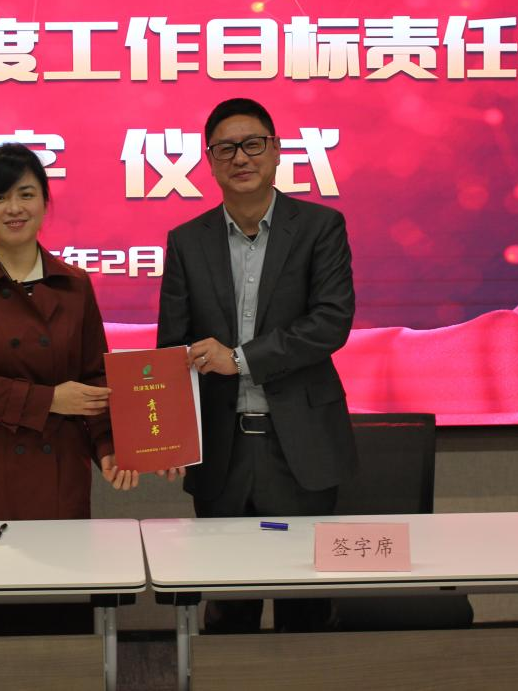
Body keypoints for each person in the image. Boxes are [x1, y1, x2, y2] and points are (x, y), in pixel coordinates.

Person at [157, 97, 358, 633]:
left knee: (306, 604)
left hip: (300, 446)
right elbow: (173, 348)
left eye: (252, 144)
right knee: (228, 605)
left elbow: (331, 322)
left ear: (276, 150)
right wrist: (168, 438)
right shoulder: (186, 242)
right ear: (210, 160)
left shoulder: (320, 227)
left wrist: (239, 359)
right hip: (221, 451)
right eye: (226, 149)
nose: (240, 158)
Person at [0, 143, 137, 634]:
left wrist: (108, 446)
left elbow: (95, 377)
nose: (14, 208)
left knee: (59, 629)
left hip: (57, 475)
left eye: (26, 194)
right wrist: (50, 399)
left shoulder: (75, 284)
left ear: (45, 201)